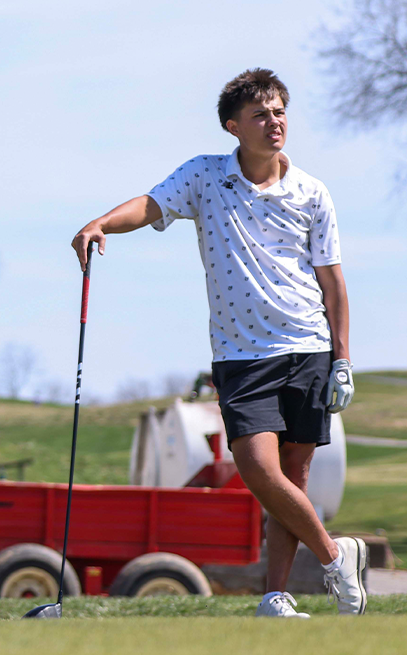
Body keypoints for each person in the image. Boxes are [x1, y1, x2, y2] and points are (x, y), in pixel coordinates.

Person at [69, 69, 368, 617]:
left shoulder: (312, 191)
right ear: (233, 126)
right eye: (260, 114)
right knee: (257, 467)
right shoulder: (204, 176)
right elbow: (150, 205)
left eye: (279, 112)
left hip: (308, 346)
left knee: (294, 478)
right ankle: (336, 555)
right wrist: (102, 223)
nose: (274, 122)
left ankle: (276, 596)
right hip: (241, 355)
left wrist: (343, 360)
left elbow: (333, 284)